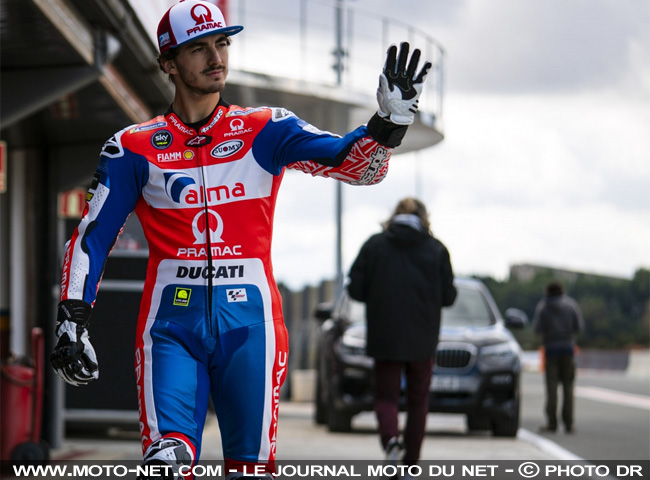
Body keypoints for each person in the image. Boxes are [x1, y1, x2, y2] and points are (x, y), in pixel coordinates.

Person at [48, 1, 432, 478]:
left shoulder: (267, 128)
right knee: (165, 463)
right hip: (171, 329)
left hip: (253, 328)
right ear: (168, 63)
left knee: (249, 470)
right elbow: (92, 237)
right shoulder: (131, 147)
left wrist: (388, 124)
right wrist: (73, 316)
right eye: (199, 48)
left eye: (223, 43)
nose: (216, 58)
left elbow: (352, 166)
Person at [347, 197, 456, 468]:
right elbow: (449, 296)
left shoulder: (374, 245)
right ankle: (410, 463)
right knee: (419, 401)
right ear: (424, 217)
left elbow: (355, 289)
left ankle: (391, 441)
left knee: (386, 397)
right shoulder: (436, 249)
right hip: (423, 337)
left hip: (385, 334)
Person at [533, 281, 584, 434]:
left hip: (550, 350)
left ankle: (552, 423)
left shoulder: (543, 307)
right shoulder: (571, 305)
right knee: (568, 387)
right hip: (568, 349)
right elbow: (579, 327)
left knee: (552, 387)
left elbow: (537, 329)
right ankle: (568, 423)